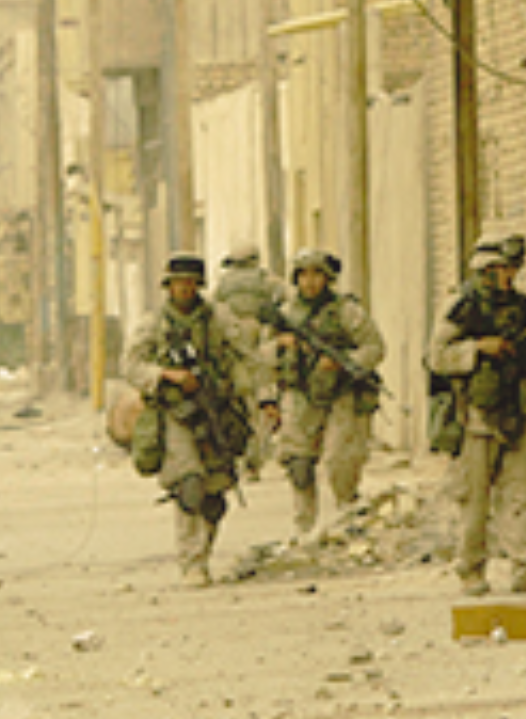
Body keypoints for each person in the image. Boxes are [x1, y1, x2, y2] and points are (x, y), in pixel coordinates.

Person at [429, 237, 526, 596]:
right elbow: (436, 356)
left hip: (519, 411)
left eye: (509, 270)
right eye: (496, 271)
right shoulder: (461, 308)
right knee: (474, 498)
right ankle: (471, 569)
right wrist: (478, 349)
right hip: (477, 418)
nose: (505, 277)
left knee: (520, 493)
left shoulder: (525, 308)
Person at [122, 253, 255, 587]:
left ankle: (204, 552)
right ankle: (191, 562)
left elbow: (244, 357)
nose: (184, 288)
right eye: (178, 283)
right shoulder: (154, 324)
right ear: (169, 286)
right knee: (189, 486)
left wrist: (256, 397)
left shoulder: (218, 319)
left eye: (190, 283)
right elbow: (131, 366)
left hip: (215, 411)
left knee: (213, 497)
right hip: (174, 414)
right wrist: (166, 375)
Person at [268, 248, 386, 536]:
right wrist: (280, 349)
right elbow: (258, 360)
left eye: (317, 275)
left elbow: (375, 347)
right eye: (304, 275)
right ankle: (304, 528)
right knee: (299, 464)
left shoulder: (347, 311)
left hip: (341, 394)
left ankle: (348, 514)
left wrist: (344, 363)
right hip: (299, 394)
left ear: (327, 278)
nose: (310, 282)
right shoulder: (285, 314)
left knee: (340, 460)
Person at [214, 241, 285, 479]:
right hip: (264, 349)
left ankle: (246, 458)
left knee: (242, 407)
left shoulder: (223, 286)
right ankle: (255, 460)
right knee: (264, 407)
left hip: (236, 354)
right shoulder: (268, 282)